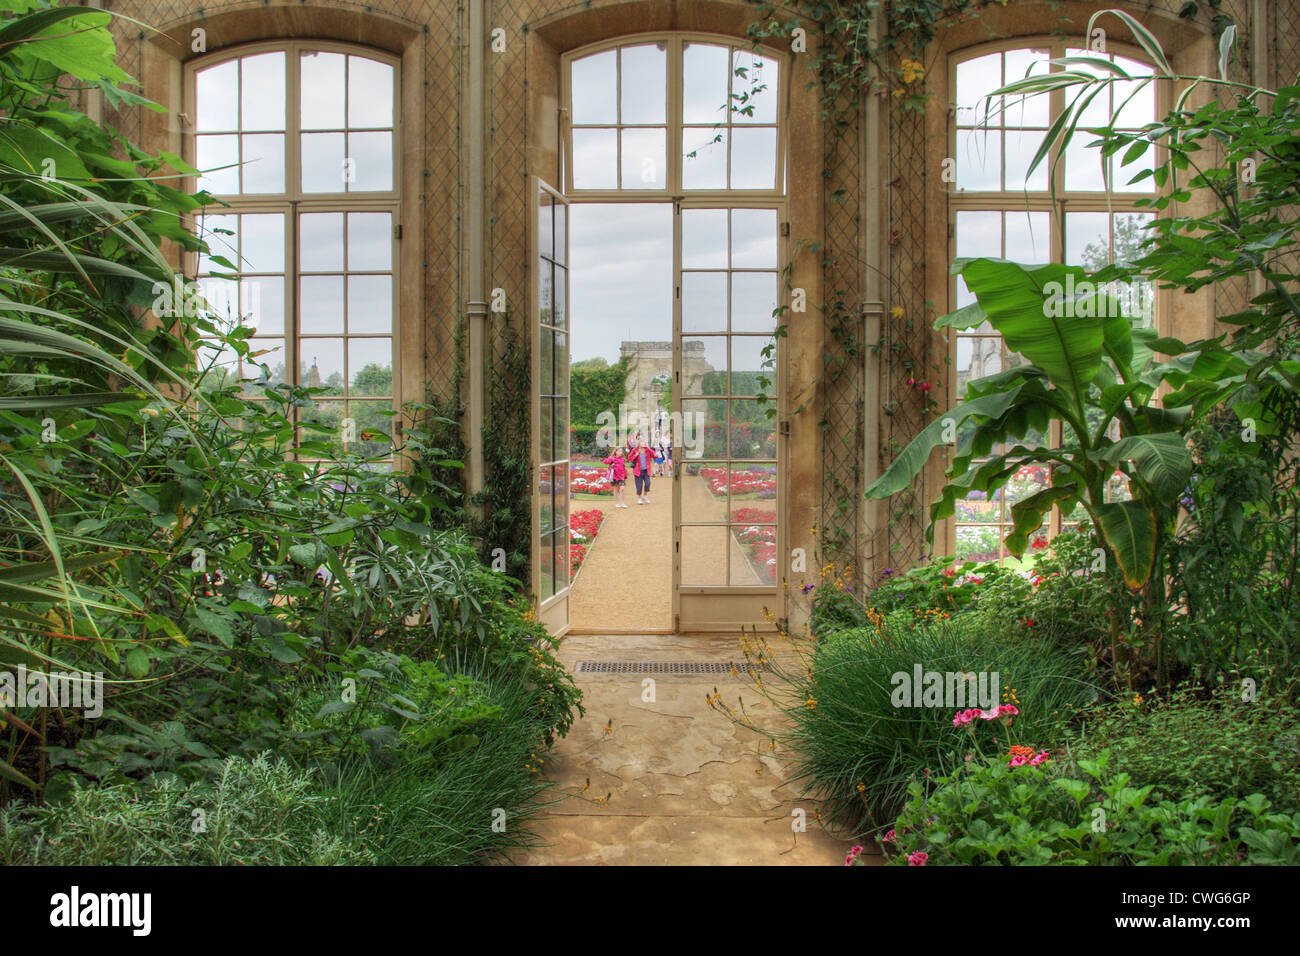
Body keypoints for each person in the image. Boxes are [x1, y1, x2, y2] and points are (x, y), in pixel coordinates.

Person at [628, 436, 655, 504]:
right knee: (639, 485)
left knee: (648, 483)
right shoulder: (635, 450)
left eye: (644, 442)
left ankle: (645, 496)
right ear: (639, 443)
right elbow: (630, 458)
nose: (643, 443)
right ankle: (639, 499)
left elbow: (654, 455)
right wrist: (636, 455)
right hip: (638, 471)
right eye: (642, 442)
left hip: (646, 470)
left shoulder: (647, 449)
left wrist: (656, 455)